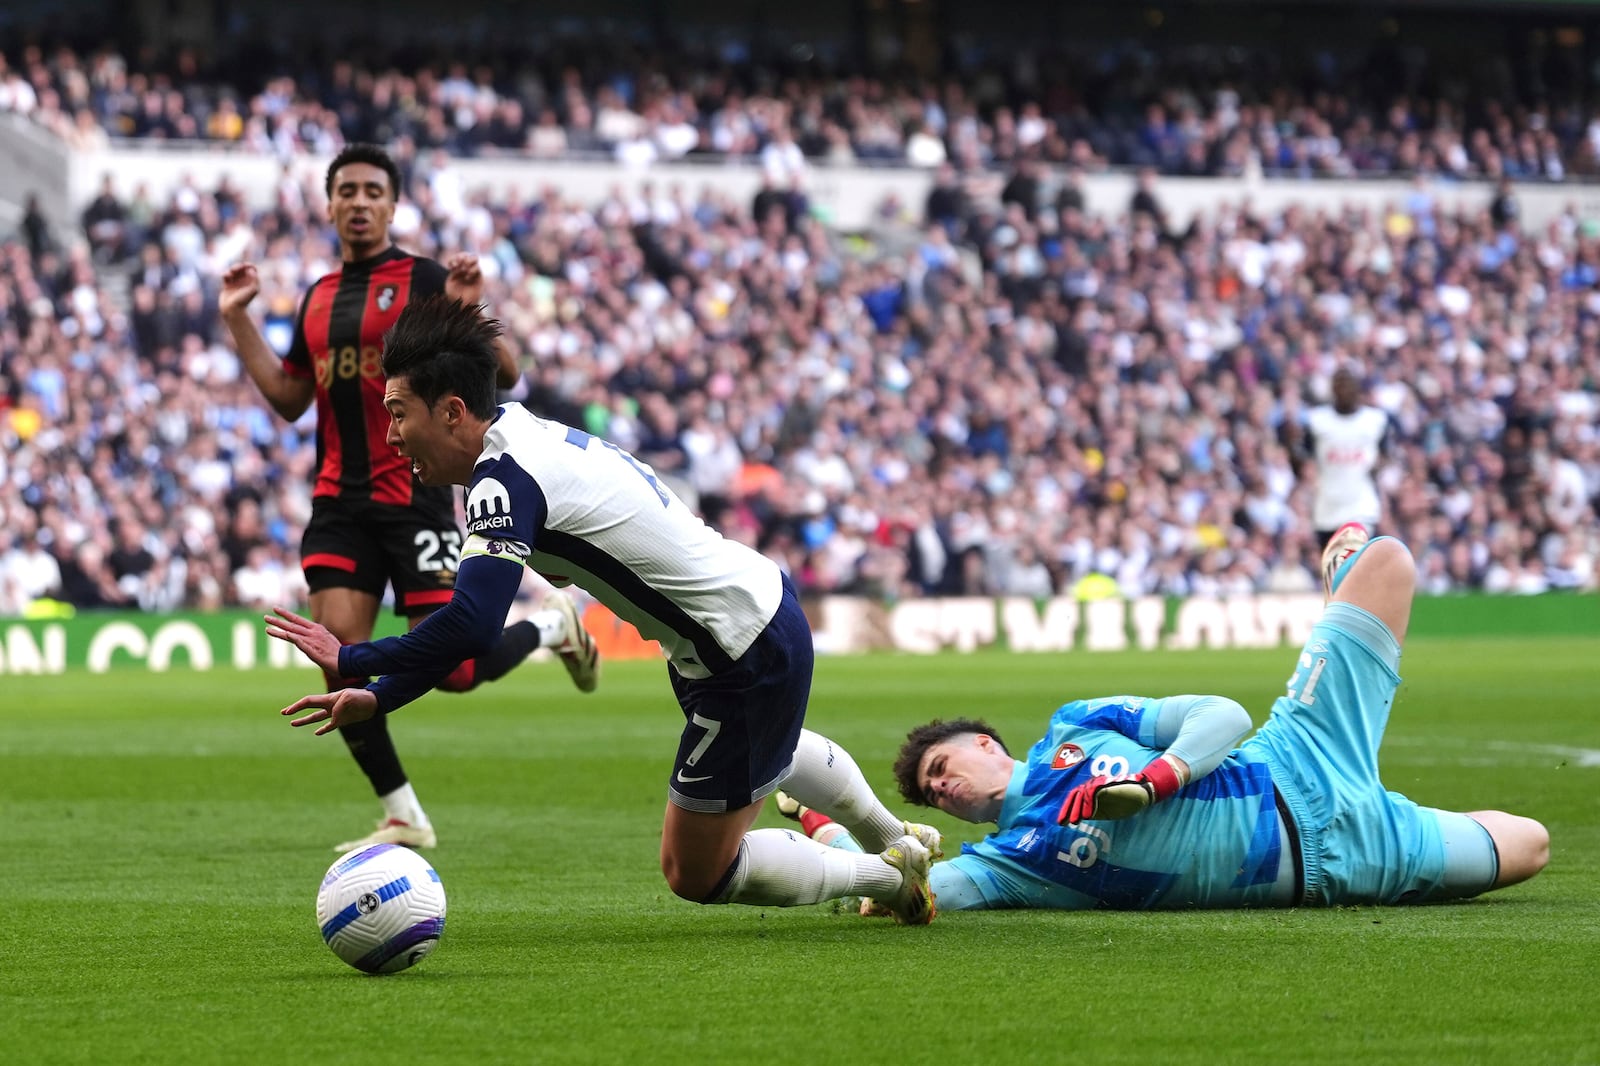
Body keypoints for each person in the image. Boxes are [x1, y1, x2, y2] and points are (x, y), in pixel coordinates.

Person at [264, 294, 940, 923]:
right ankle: (894, 837)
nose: (391, 435)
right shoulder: (522, 435)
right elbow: (466, 628)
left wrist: (353, 659)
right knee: (772, 748)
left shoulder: (503, 481)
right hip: (745, 612)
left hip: (740, 651)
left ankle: (888, 879)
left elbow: (471, 626)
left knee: (695, 871)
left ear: (451, 412)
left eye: (398, 412)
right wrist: (379, 698)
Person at [782, 526, 1549, 912]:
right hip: (1341, 867)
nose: (943, 788)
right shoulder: (1007, 862)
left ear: (986, 744)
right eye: (933, 792)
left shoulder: (1076, 724)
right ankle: (1400, 810)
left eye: (943, 767)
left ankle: (1334, 582)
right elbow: (909, 884)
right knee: (1532, 845)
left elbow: (1223, 714)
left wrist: (1155, 780)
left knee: (1382, 557)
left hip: (1297, 756)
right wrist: (825, 825)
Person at [219, 143, 601, 854]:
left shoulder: (424, 279)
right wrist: (238, 316)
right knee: (339, 656)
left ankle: (552, 629)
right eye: (347, 191)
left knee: (455, 672)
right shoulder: (317, 298)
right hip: (339, 502)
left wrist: (469, 309)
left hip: (415, 495)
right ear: (328, 205)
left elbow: (506, 372)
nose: (359, 202)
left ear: (393, 206)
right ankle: (403, 813)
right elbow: (287, 400)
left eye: (372, 191)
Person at [1302, 366, 1392, 550]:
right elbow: (1303, 456)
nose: (1344, 390)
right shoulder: (1318, 421)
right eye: (1339, 385)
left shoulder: (1374, 421)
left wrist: (1378, 466)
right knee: (1332, 572)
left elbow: (1385, 454)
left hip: (1361, 506)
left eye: (1348, 385)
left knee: (1357, 567)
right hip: (1327, 507)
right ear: (1333, 389)